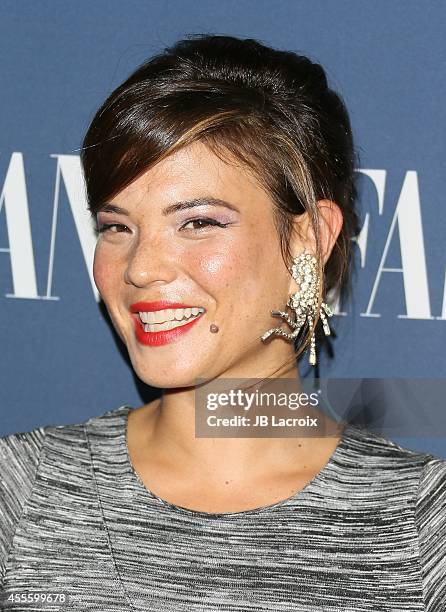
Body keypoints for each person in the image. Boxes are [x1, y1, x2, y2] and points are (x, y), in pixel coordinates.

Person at [1, 34, 445, 611]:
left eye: (198, 223)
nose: (140, 268)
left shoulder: (422, 525)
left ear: (309, 238)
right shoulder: (21, 492)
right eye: (116, 226)